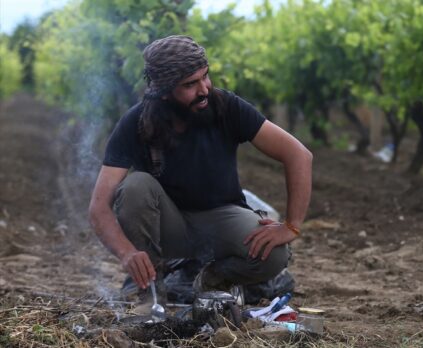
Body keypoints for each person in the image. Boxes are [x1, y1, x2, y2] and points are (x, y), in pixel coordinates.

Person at [88, 35, 313, 307]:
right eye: (190, 84)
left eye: (205, 77)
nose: (204, 89)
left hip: (220, 219)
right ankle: (152, 291)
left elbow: (298, 155)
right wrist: (127, 255)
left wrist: (291, 225)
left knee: (275, 254)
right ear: (165, 90)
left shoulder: (226, 107)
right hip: (167, 227)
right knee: (135, 186)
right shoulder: (136, 123)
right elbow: (99, 208)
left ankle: (210, 280)